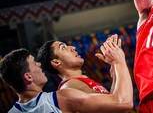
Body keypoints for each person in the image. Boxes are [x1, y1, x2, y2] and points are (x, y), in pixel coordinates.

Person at [0, 39, 133, 112]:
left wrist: (116, 69)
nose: (39, 65)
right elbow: (122, 104)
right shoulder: (63, 97)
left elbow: (114, 104)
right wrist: (119, 61)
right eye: (34, 63)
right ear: (28, 77)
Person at [37, 34, 121, 94]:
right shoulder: (71, 87)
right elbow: (119, 104)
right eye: (64, 48)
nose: (72, 47)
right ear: (56, 62)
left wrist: (114, 65)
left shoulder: (80, 82)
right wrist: (119, 61)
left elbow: (112, 101)